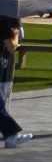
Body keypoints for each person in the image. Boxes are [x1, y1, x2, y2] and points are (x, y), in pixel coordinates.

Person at [0, 13, 25, 148]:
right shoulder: (4, 20)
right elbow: (11, 46)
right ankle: (10, 134)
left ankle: (10, 134)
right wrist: (15, 35)